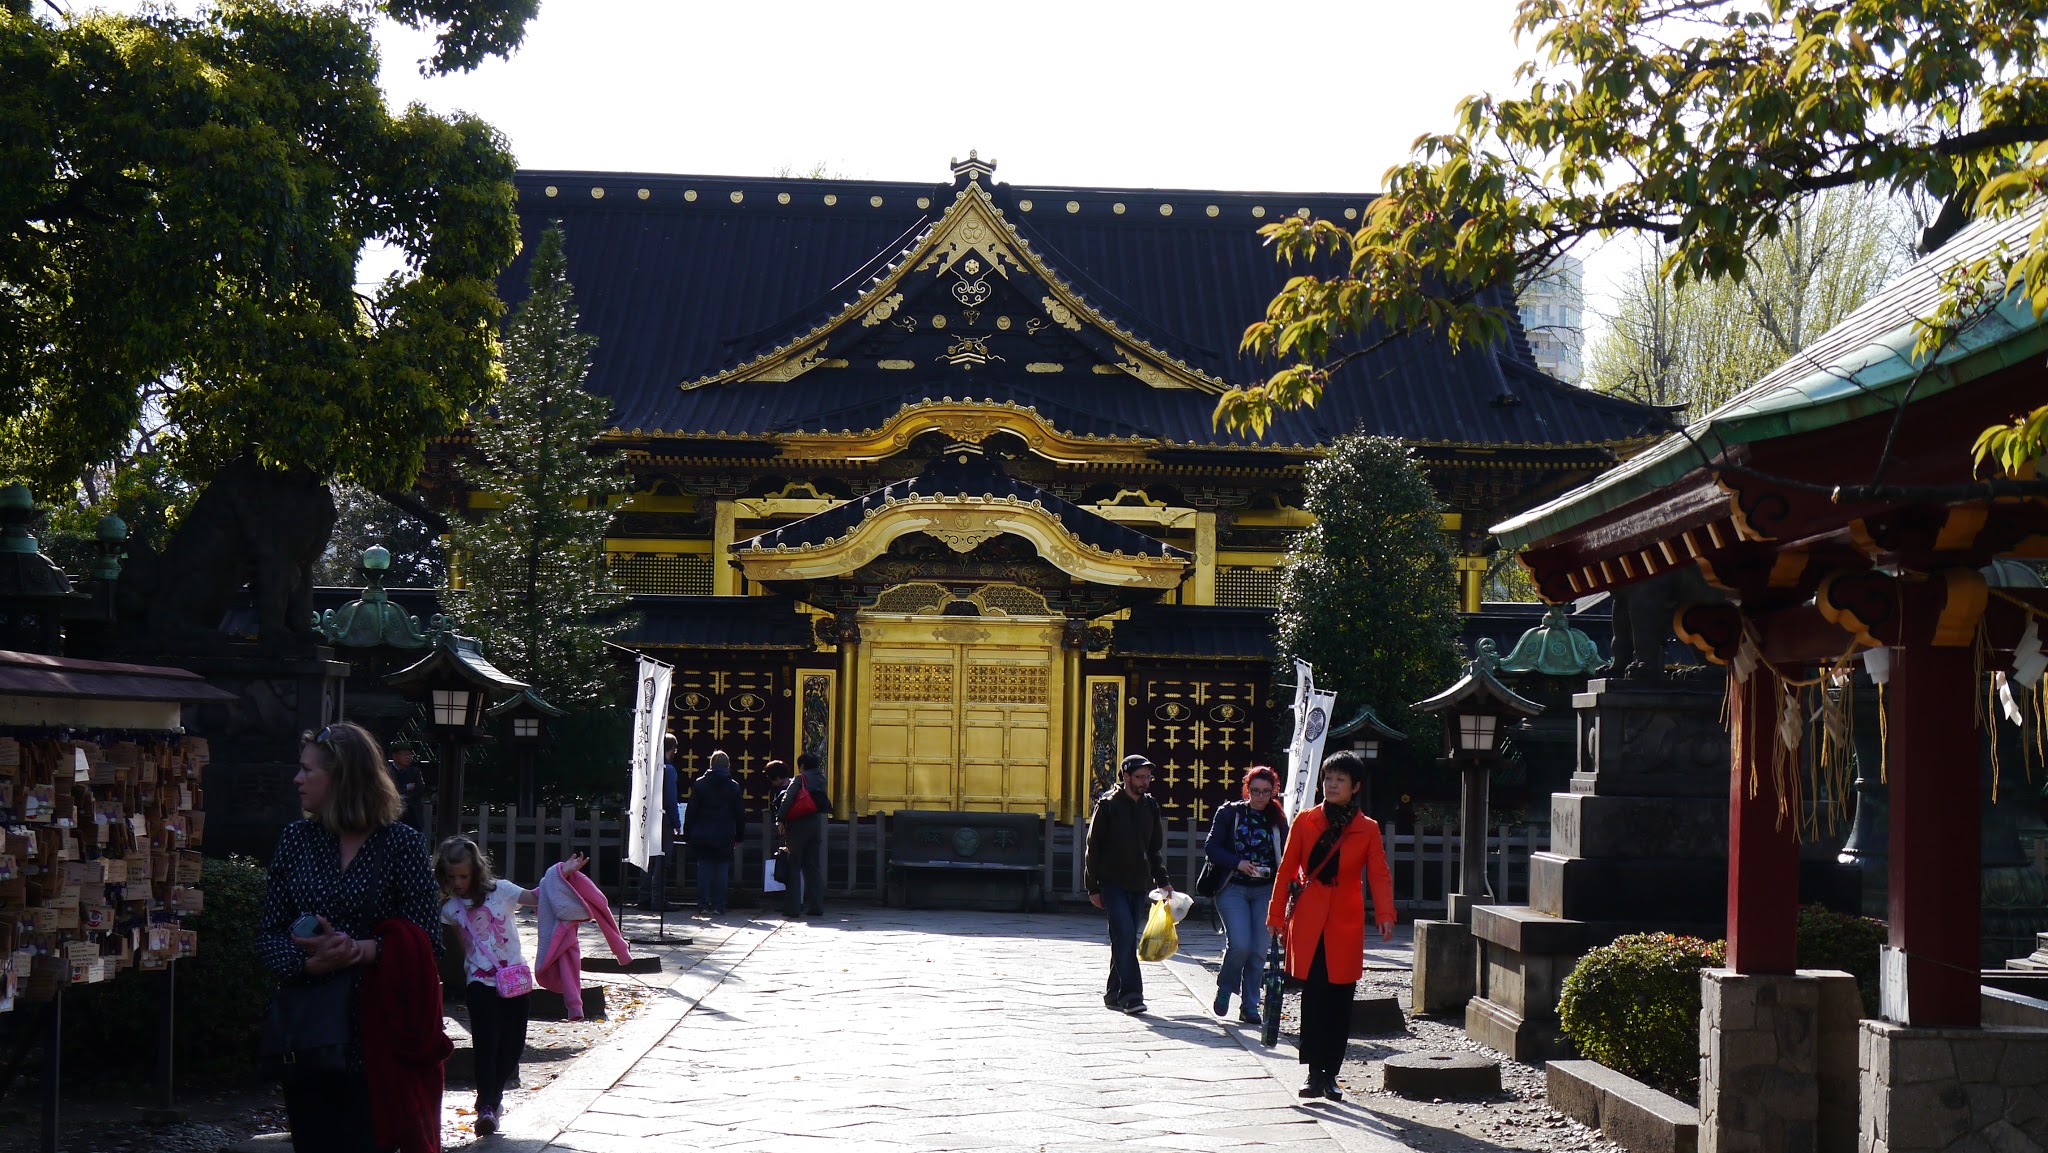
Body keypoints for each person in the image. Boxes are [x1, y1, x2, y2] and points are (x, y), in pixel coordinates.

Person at [258, 722, 442, 1153]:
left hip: (377, 1034)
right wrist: (306, 962)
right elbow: (268, 933)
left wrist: (362, 950)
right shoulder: (296, 840)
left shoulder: (402, 845)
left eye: (308, 771)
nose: (297, 779)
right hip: (309, 1032)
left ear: (342, 777)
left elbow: (430, 942)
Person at [434, 835, 587, 1136]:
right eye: (451, 877)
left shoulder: (501, 891)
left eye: (463, 876)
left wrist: (562, 873)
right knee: (486, 1045)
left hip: (515, 979)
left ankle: (495, 1098)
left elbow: (536, 897)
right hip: (479, 983)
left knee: (513, 1046)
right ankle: (486, 1106)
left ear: (475, 871)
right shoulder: (450, 909)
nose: (458, 882)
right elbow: (463, 947)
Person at [1267, 749, 1396, 1102]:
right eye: (1328, 778)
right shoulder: (1306, 820)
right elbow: (1286, 870)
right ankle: (1313, 1072)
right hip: (1310, 916)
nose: (1332, 784)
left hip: (1346, 920)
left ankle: (1331, 1074)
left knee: (1341, 998)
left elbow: (1379, 874)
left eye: (1340, 779)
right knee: (1314, 995)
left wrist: (1385, 914)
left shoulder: (1366, 828)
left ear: (1355, 787)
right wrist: (1275, 916)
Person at [1083, 753, 1172, 1016]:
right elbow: (1093, 847)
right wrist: (1093, 887)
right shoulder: (1108, 805)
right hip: (1112, 882)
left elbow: (1154, 849)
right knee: (1125, 937)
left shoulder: (1150, 806)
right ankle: (1132, 996)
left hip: (1138, 882)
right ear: (1126, 776)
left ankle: (1113, 992)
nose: (1145, 782)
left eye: (1148, 777)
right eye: (1140, 777)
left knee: (1124, 938)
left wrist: (1163, 881)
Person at [1204, 765, 1289, 1025]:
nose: (1260, 797)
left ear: (1273, 792)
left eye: (1266, 792)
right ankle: (1225, 988)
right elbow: (1211, 847)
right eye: (1255, 791)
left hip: (1265, 889)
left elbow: (1287, 853)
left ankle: (1250, 1005)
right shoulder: (1230, 813)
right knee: (1240, 944)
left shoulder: (1277, 818)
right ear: (1247, 789)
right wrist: (1237, 863)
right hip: (1233, 887)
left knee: (1258, 950)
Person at [683, 749, 745, 916]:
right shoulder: (733, 787)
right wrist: (740, 835)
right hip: (724, 833)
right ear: (728, 765)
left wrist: (687, 833)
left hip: (702, 832)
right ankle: (718, 904)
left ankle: (703, 904)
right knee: (722, 869)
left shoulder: (700, 784)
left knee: (704, 867)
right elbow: (739, 814)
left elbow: (691, 811)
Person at [775, 753, 830, 917]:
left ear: (803, 766)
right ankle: (816, 906)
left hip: (799, 825)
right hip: (815, 823)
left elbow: (788, 798)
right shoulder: (822, 779)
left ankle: (793, 907)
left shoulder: (801, 778)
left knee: (794, 864)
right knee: (813, 867)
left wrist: (780, 819)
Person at [639, 734, 681, 909]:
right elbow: (670, 799)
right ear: (672, 749)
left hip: (647, 817)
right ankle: (658, 898)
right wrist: (677, 822)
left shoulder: (647, 766)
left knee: (649, 858)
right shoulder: (668, 769)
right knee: (662, 859)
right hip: (663, 819)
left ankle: (644, 896)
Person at [386, 739, 424, 831]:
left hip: (413, 812)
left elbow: (420, 789)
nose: (408, 757)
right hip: (394, 811)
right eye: (405, 754)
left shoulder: (415, 771)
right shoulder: (388, 771)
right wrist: (407, 787)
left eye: (409, 754)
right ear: (395, 756)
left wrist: (402, 796)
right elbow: (391, 789)